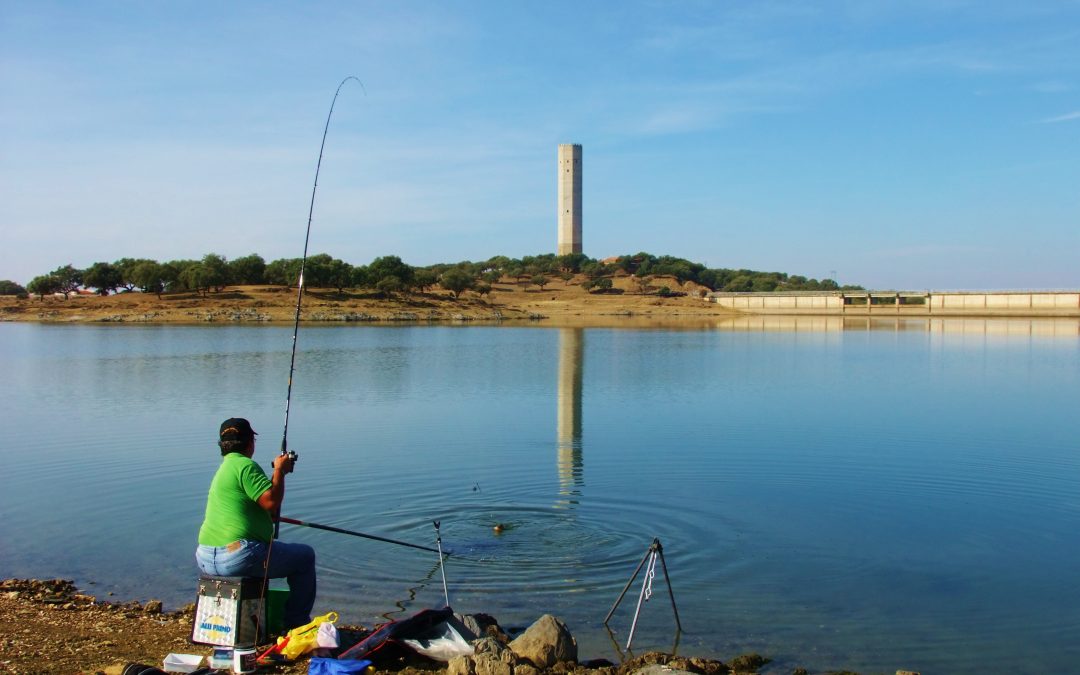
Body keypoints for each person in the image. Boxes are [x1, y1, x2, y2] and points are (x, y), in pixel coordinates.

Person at [195, 417, 316, 631]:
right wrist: (279, 470)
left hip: (206, 557)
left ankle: (250, 622)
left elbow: (259, 508)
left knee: (268, 554)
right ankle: (297, 624)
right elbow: (271, 502)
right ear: (250, 442)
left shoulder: (224, 469)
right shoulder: (245, 466)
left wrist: (279, 475)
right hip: (235, 557)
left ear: (222, 446)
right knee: (305, 557)